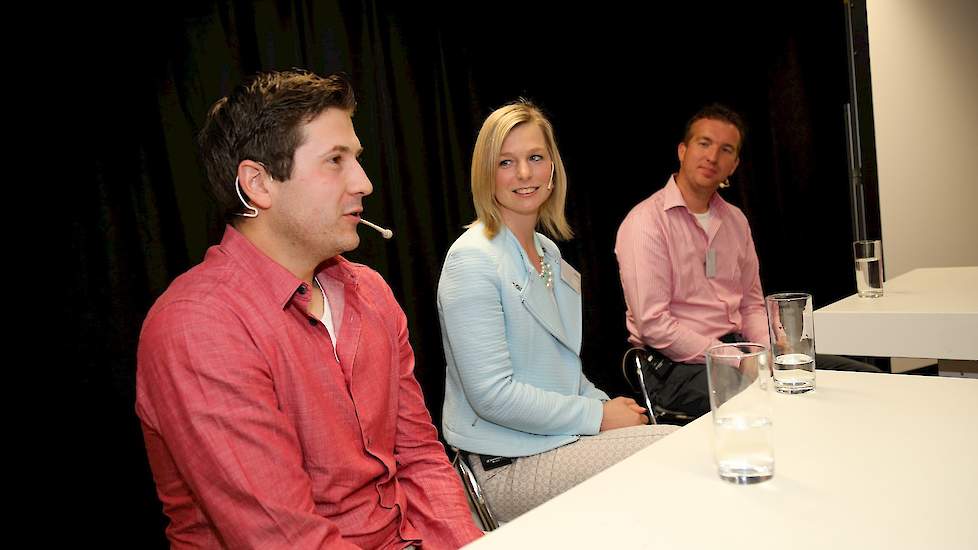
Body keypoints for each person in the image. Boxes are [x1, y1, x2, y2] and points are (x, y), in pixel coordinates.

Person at [136, 70, 482, 549]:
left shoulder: (373, 293)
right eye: (334, 161)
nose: (364, 183)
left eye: (356, 159)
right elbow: (284, 539)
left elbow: (420, 457)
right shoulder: (198, 327)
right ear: (258, 184)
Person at [437, 100, 677, 523]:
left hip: (555, 442)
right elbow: (493, 396)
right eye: (506, 162)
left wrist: (607, 407)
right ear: (485, 173)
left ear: (552, 168)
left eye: (535, 157)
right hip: (504, 465)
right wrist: (599, 416)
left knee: (675, 443)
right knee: (671, 454)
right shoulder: (471, 259)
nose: (525, 174)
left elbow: (562, 371)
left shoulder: (547, 252)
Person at [615, 104, 879, 417]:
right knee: (774, 403)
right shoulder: (646, 222)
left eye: (725, 149)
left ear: (735, 165)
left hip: (741, 350)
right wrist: (739, 359)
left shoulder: (735, 221)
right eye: (704, 143)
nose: (713, 156)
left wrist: (771, 351)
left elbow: (751, 306)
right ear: (682, 151)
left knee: (858, 380)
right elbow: (654, 324)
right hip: (674, 365)